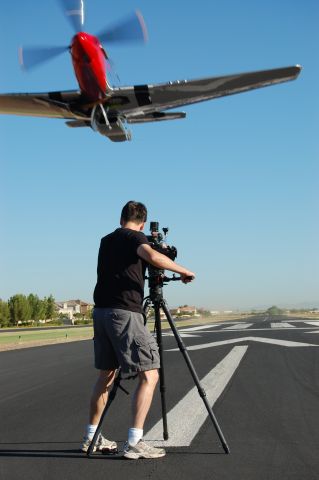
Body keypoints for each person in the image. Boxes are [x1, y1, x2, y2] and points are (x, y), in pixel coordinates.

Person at [82, 201, 195, 459]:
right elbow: (153, 257)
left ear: (121, 218)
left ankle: (92, 436)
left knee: (106, 376)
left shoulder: (107, 240)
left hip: (101, 312)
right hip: (124, 313)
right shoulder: (136, 237)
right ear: (142, 223)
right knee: (150, 374)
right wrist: (184, 270)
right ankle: (134, 441)